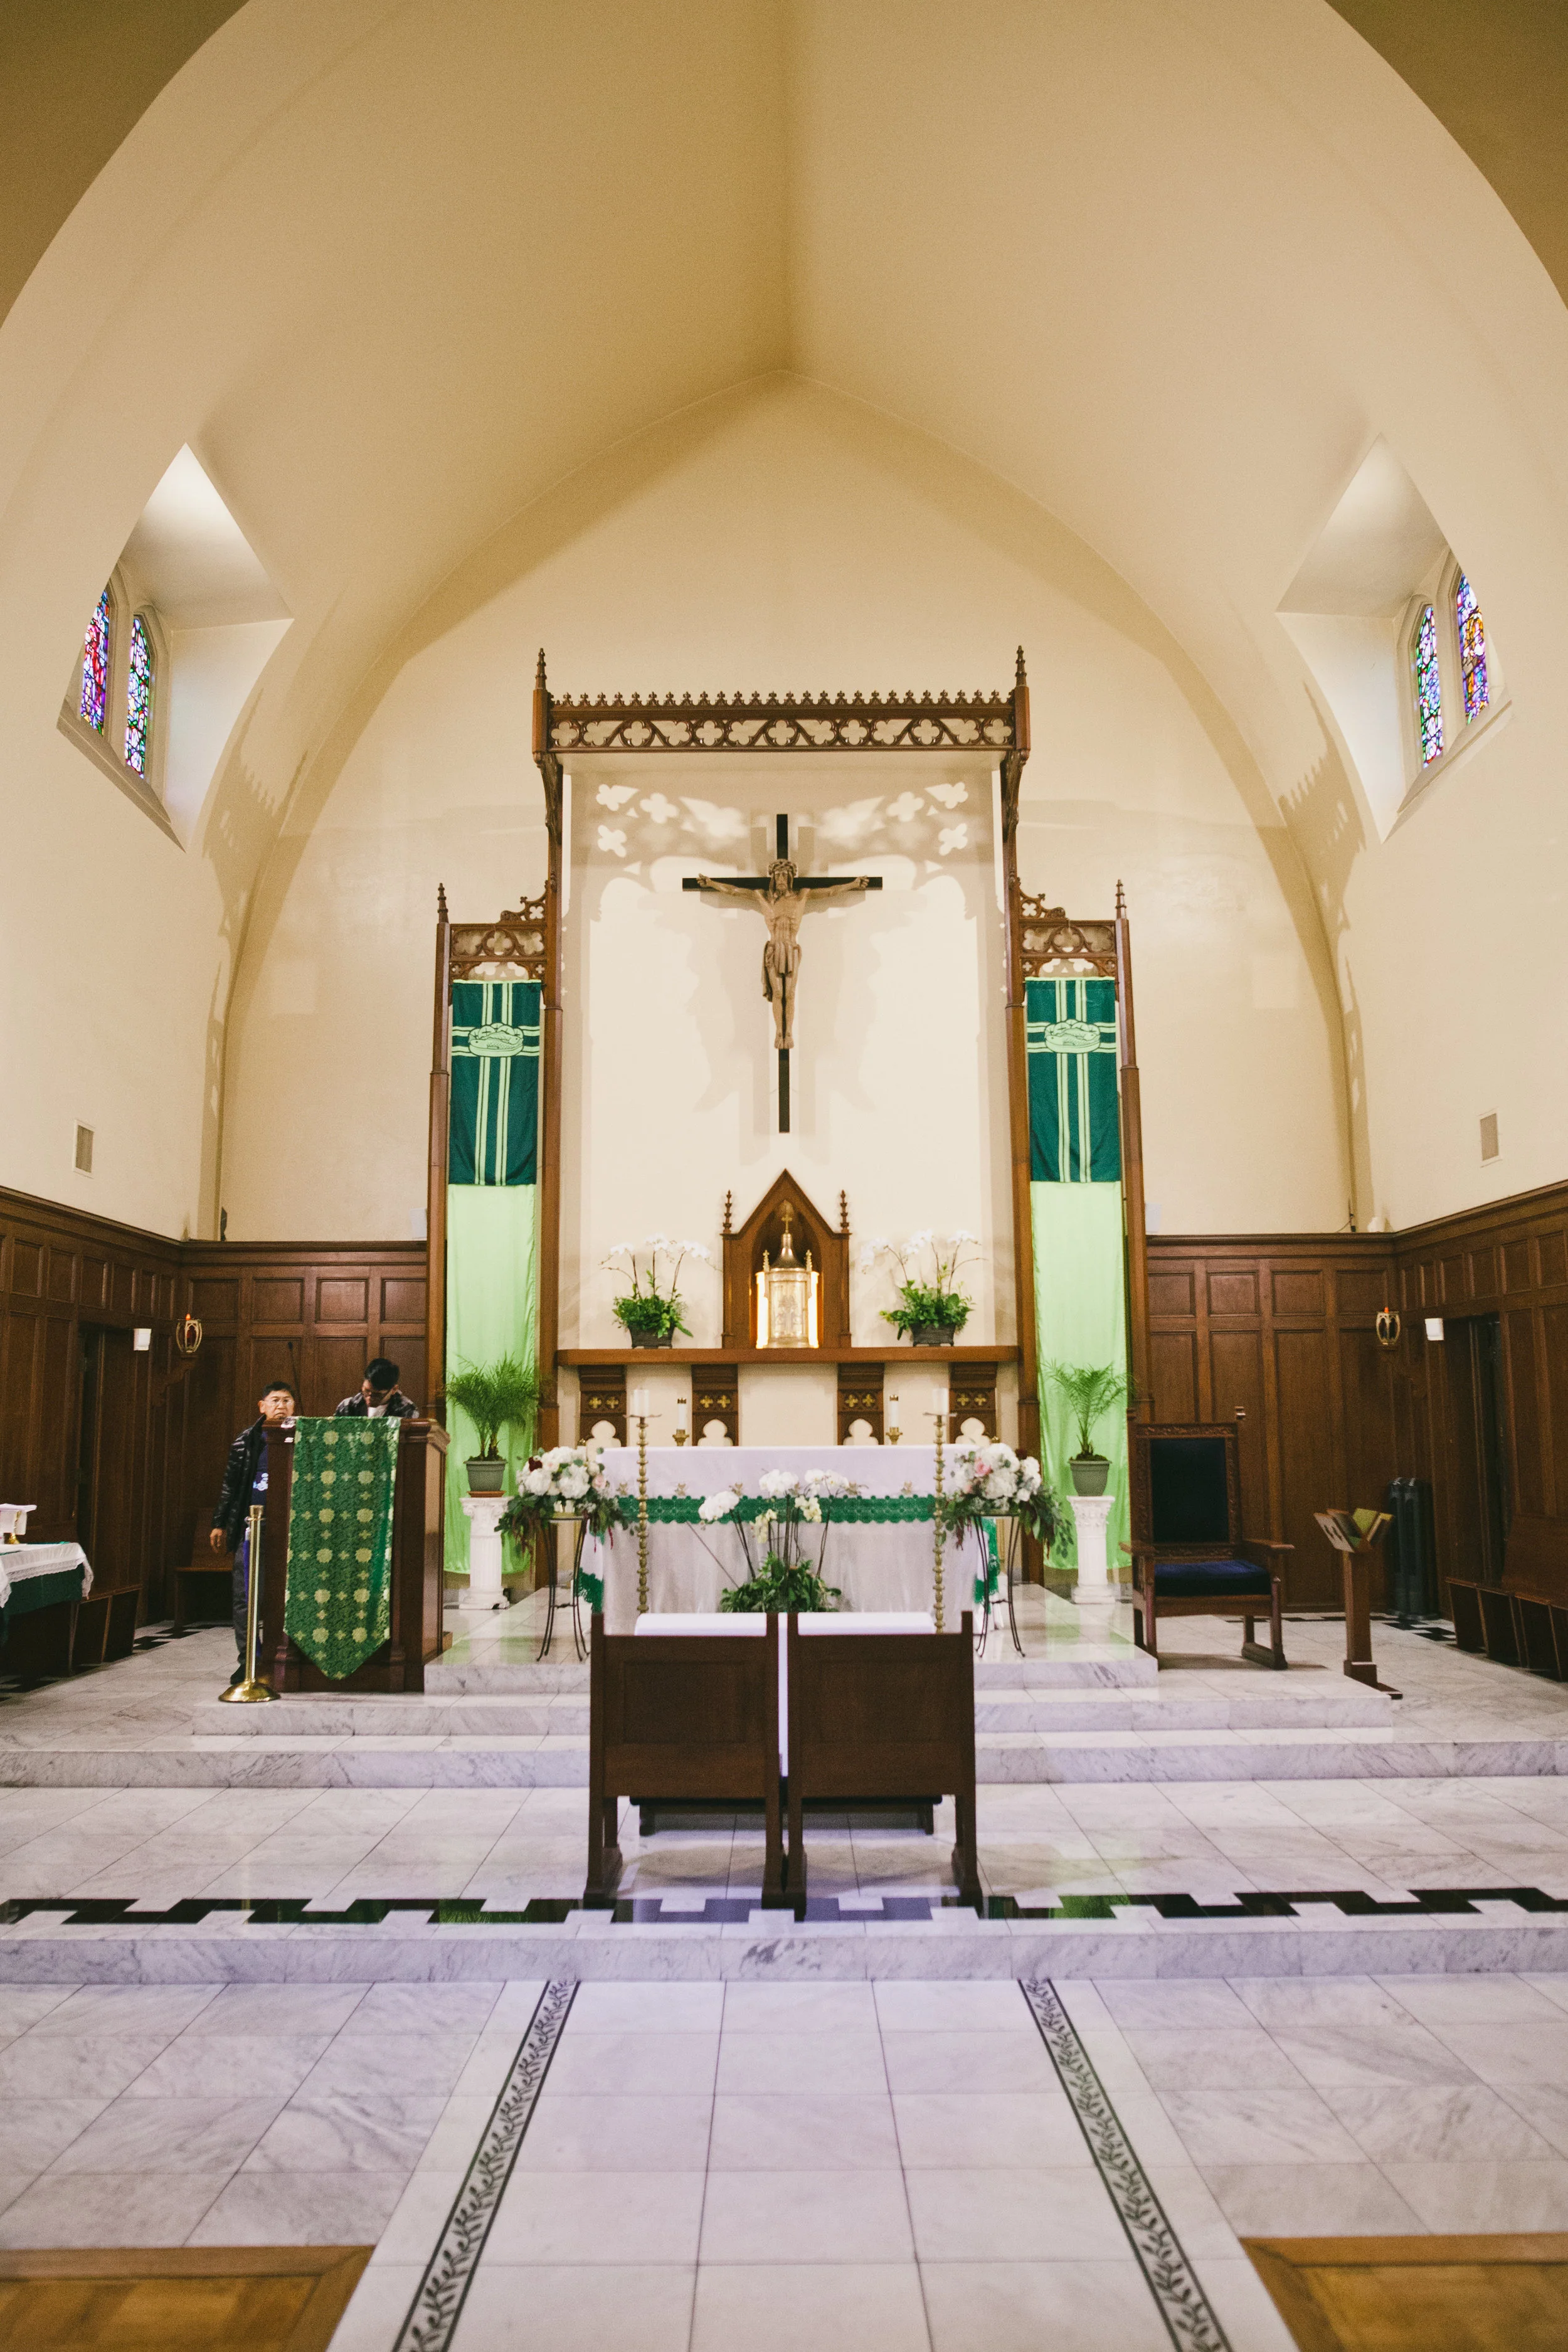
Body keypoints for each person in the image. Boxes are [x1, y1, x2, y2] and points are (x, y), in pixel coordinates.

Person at [210, 1378, 296, 1680]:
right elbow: (230, 1486)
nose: (281, 1406)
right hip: (251, 1530)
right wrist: (220, 1524)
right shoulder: (245, 1440)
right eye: (274, 1400)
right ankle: (249, 1659)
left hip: (291, 1532)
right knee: (245, 1597)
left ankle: (285, 1655)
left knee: (288, 1594)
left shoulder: (304, 1437)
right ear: (262, 1406)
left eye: (286, 1400)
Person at [334, 1357, 419, 1419]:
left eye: (377, 1395)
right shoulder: (348, 1406)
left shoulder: (406, 1409)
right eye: (366, 1391)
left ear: (394, 1390)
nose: (369, 1398)